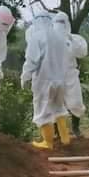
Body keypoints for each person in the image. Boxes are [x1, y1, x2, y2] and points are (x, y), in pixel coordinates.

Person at [21, 12, 71, 149]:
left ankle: (48, 142)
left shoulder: (37, 36)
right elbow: (66, 60)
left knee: (42, 110)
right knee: (59, 107)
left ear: (37, 22)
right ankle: (65, 139)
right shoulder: (60, 37)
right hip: (60, 80)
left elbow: (31, 60)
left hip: (44, 81)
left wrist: (25, 76)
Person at [53, 11, 88, 137]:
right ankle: (57, 132)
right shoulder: (48, 38)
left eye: (62, 22)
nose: (60, 25)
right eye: (58, 22)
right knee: (56, 104)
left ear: (67, 23)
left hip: (70, 74)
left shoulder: (75, 38)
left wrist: (71, 40)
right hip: (54, 76)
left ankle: (75, 129)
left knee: (76, 102)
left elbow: (82, 53)